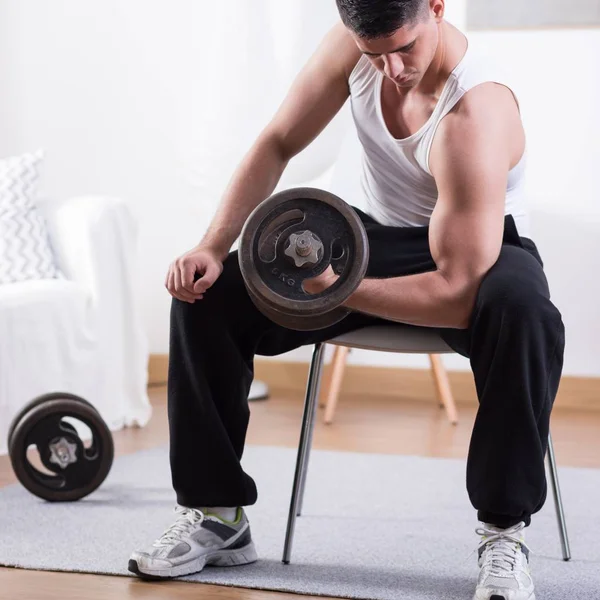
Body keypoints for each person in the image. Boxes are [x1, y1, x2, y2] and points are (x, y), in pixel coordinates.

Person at [129, 1, 565, 598]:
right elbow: (278, 141)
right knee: (208, 297)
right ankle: (216, 515)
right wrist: (211, 244)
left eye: (405, 48)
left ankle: (503, 531)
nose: (391, 69)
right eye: (373, 54)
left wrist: (338, 288)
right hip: (370, 237)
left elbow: (457, 289)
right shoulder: (356, 45)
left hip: (480, 251)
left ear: (437, 6)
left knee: (526, 316)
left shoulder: (473, 109)